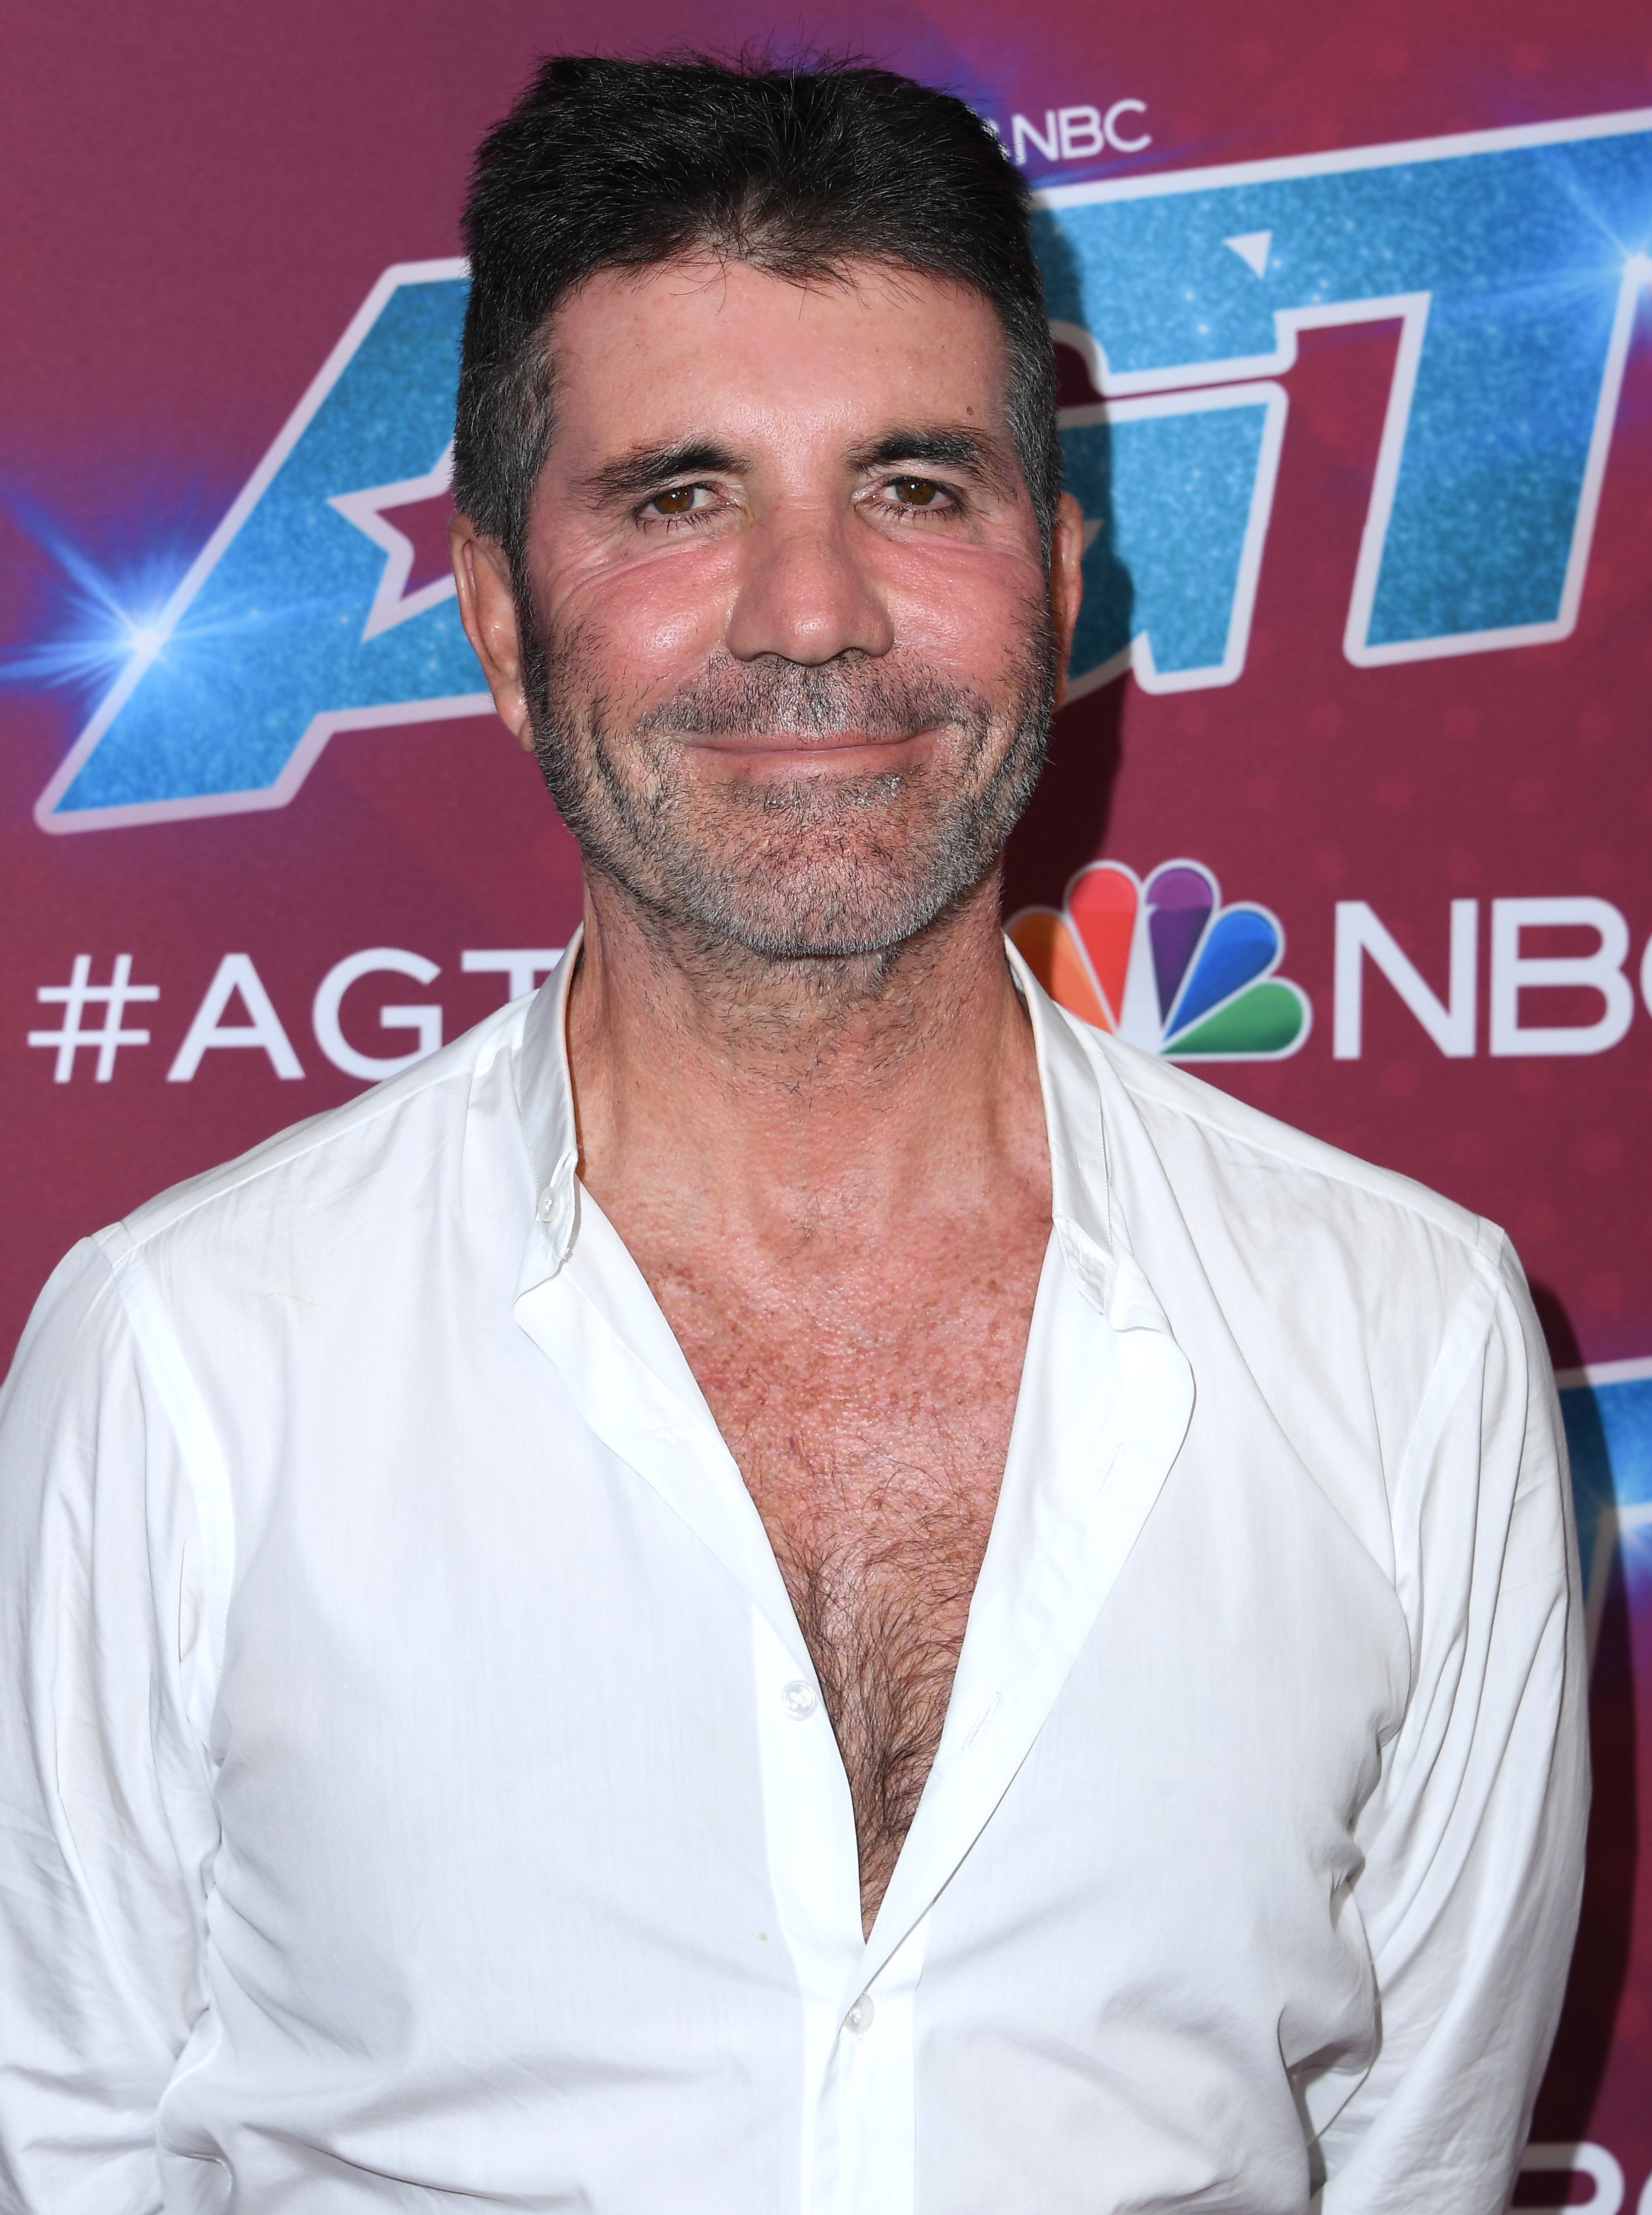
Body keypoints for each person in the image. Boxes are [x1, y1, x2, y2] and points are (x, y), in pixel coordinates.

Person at [0, 53, 1586, 2215]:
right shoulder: (185, 1356)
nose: (810, 613)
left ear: (1055, 566)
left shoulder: (1402, 1334)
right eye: (678, 497)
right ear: (489, 607)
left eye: (913, 486)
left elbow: (1414, 2162)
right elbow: (54, 2142)